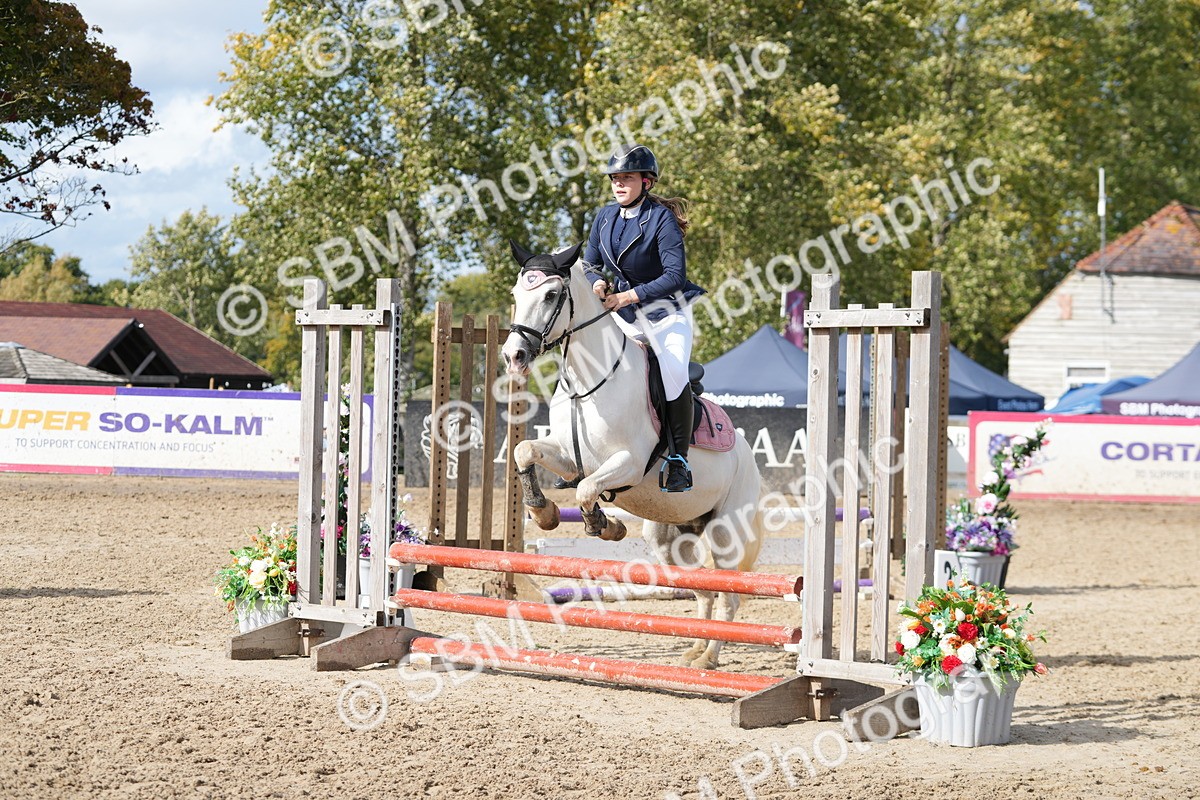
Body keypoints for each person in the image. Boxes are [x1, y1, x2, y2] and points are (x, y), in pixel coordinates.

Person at [578, 143, 706, 493]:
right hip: (626, 315)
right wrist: (598, 282)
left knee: (673, 372)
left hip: (667, 315)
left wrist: (625, 296)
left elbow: (673, 276)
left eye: (627, 178)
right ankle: (582, 453)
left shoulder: (661, 219)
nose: (619, 184)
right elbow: (589, 262)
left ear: (646, 182)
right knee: (589, 360)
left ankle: (679, 461)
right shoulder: (604, 217)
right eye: (615, 178)